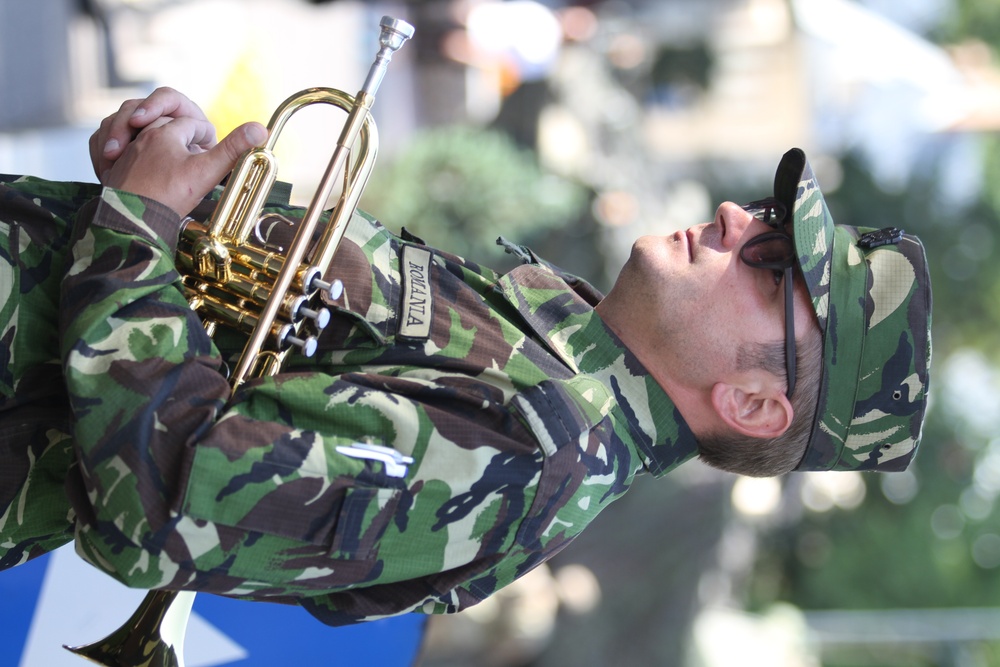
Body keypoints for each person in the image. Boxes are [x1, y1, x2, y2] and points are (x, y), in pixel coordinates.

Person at [0, 88, 931, 626]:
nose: (739, 220)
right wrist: (181, 185)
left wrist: (136, 224)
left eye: (770, 267)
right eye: (768, 219)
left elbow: (166, 489)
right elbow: (235, 317)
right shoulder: (551, 347)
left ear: (757, 403)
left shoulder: (539, 455)